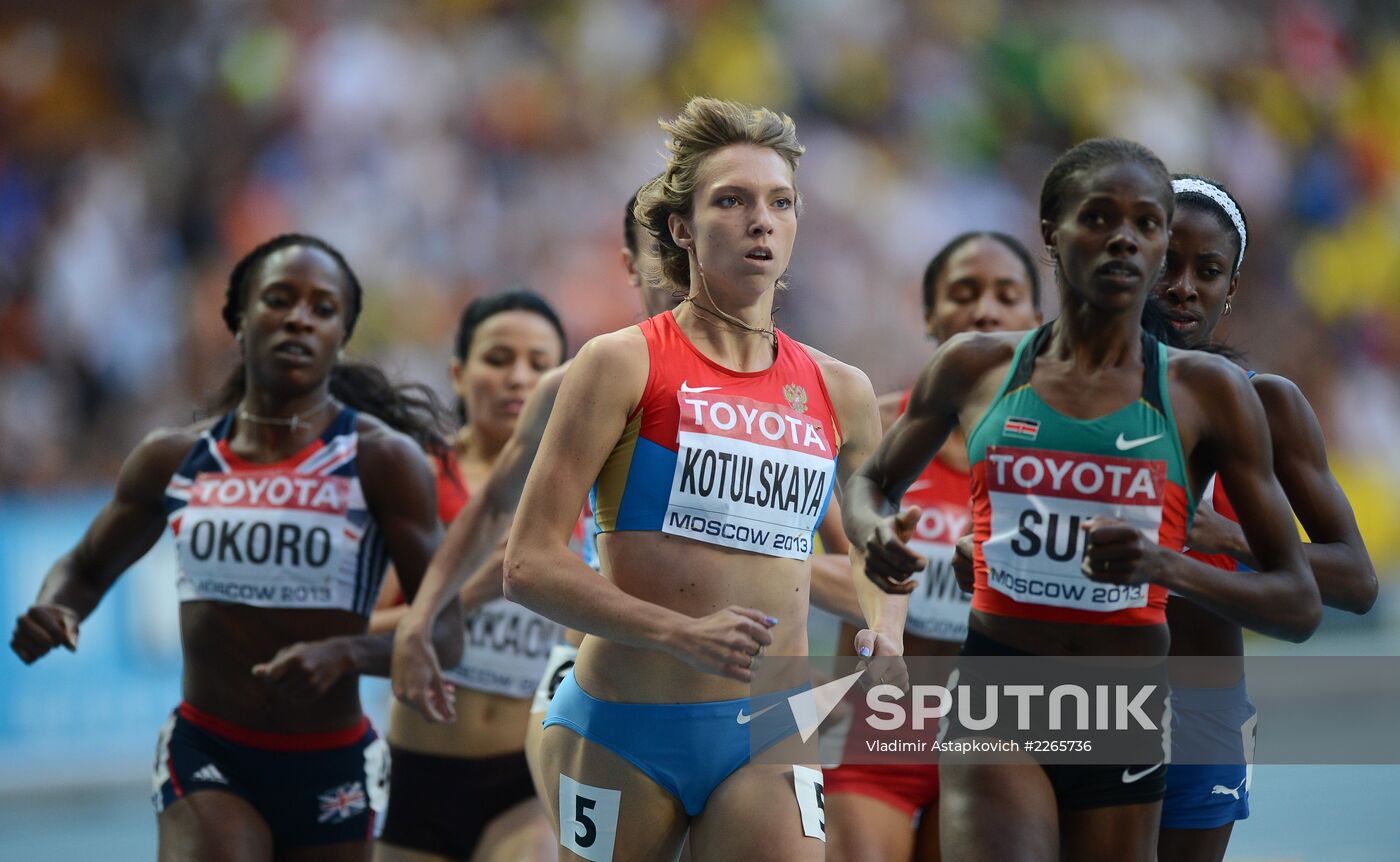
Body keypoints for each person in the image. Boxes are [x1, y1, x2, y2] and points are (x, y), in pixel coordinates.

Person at [844, 138, 1320, 862]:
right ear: (1051, 232)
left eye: (1146, 224)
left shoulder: (1209, 394)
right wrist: (876, 529)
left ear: (1161, 245)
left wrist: (1169, 566)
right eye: (1099, 217)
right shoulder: (976, 365)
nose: (1124, 238)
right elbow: (870, 482)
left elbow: (1299, 603)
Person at [500, 96, 898, 861]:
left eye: (780, 202)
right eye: (733, 200)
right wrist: (680, 633)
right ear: (681, 229)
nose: (762, 220)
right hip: (624, 727)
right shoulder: (620, 363)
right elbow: (529, 565)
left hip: (770, 726)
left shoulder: (841, 388)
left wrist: (888, 630)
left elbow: (874, 559)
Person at [10, 234, 462, 862]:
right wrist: (57, 605)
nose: (300, 317)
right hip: (209, 755)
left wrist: (347, 652)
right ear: (240, 320)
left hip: (333, 767)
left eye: (323, 308)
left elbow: (446, 634)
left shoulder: (382, 460)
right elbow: (85, 566)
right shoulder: (174, 458)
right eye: (279, 299)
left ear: (340, 335)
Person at [1152, 175, 1378, 862]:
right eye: (1168, 265)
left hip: (1202, 712)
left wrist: (1226, 538)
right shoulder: (1071, 396)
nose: (1185, 287)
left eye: (1208, 271)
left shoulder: (1268, 406)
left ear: (1232, 288)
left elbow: (1357, 580)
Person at [825, 232, 1043, 862]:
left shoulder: (1057, 453)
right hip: (875, 737)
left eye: (1007, 295)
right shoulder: (873, 434)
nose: (985, 311)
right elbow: (783, 553)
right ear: (928, 315)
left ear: (1036, 319)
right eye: (964, 293)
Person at [369, 291, 569, 861]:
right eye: (498, 359)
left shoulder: (584, 488)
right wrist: (475, 590)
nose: (518, 378)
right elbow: (357, 632)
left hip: (526, 776)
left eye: (539, 363)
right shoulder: (418, 482)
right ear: (458, 373)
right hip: (418, 774)